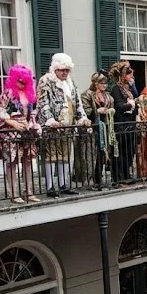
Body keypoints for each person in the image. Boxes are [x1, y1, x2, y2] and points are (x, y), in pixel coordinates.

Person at [36, 53, 90, 197]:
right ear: (55, 69)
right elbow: (42, 103)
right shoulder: (45, 81)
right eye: (61, 70)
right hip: (52, 126)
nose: (64, 73)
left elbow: (77, 103)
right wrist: (50, 120)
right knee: (51, 156)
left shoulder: (71, 83)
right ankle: (50, 186)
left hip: (67, 126)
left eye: (67, 70)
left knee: (65, 156)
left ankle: (63, 184)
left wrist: (83, 117)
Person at [0, 64, 40, 204]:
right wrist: (13, 123)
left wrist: (32, 123)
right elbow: (0, 111)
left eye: (25, 81)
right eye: (19, 80)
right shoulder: (8, 93)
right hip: (11, 133)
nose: (22, 83)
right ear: (14, 79)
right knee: (12, 162)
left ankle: (29, 191)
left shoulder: (30, 95)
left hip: (26, 131)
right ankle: (14, 193)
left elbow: (33, 113)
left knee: (27, 160)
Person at [109, 61, 139, 184]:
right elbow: (119, 106)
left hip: (130, 123)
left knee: (130, 150)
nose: (130, 76)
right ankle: (119, 176)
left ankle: (127, 173)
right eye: (128, 74)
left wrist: (133, 87)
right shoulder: (116, 88)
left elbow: (136, 97)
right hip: (121, 124)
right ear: (122, 75)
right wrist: (129, 105)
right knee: (120, 151)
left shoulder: (129, 88)